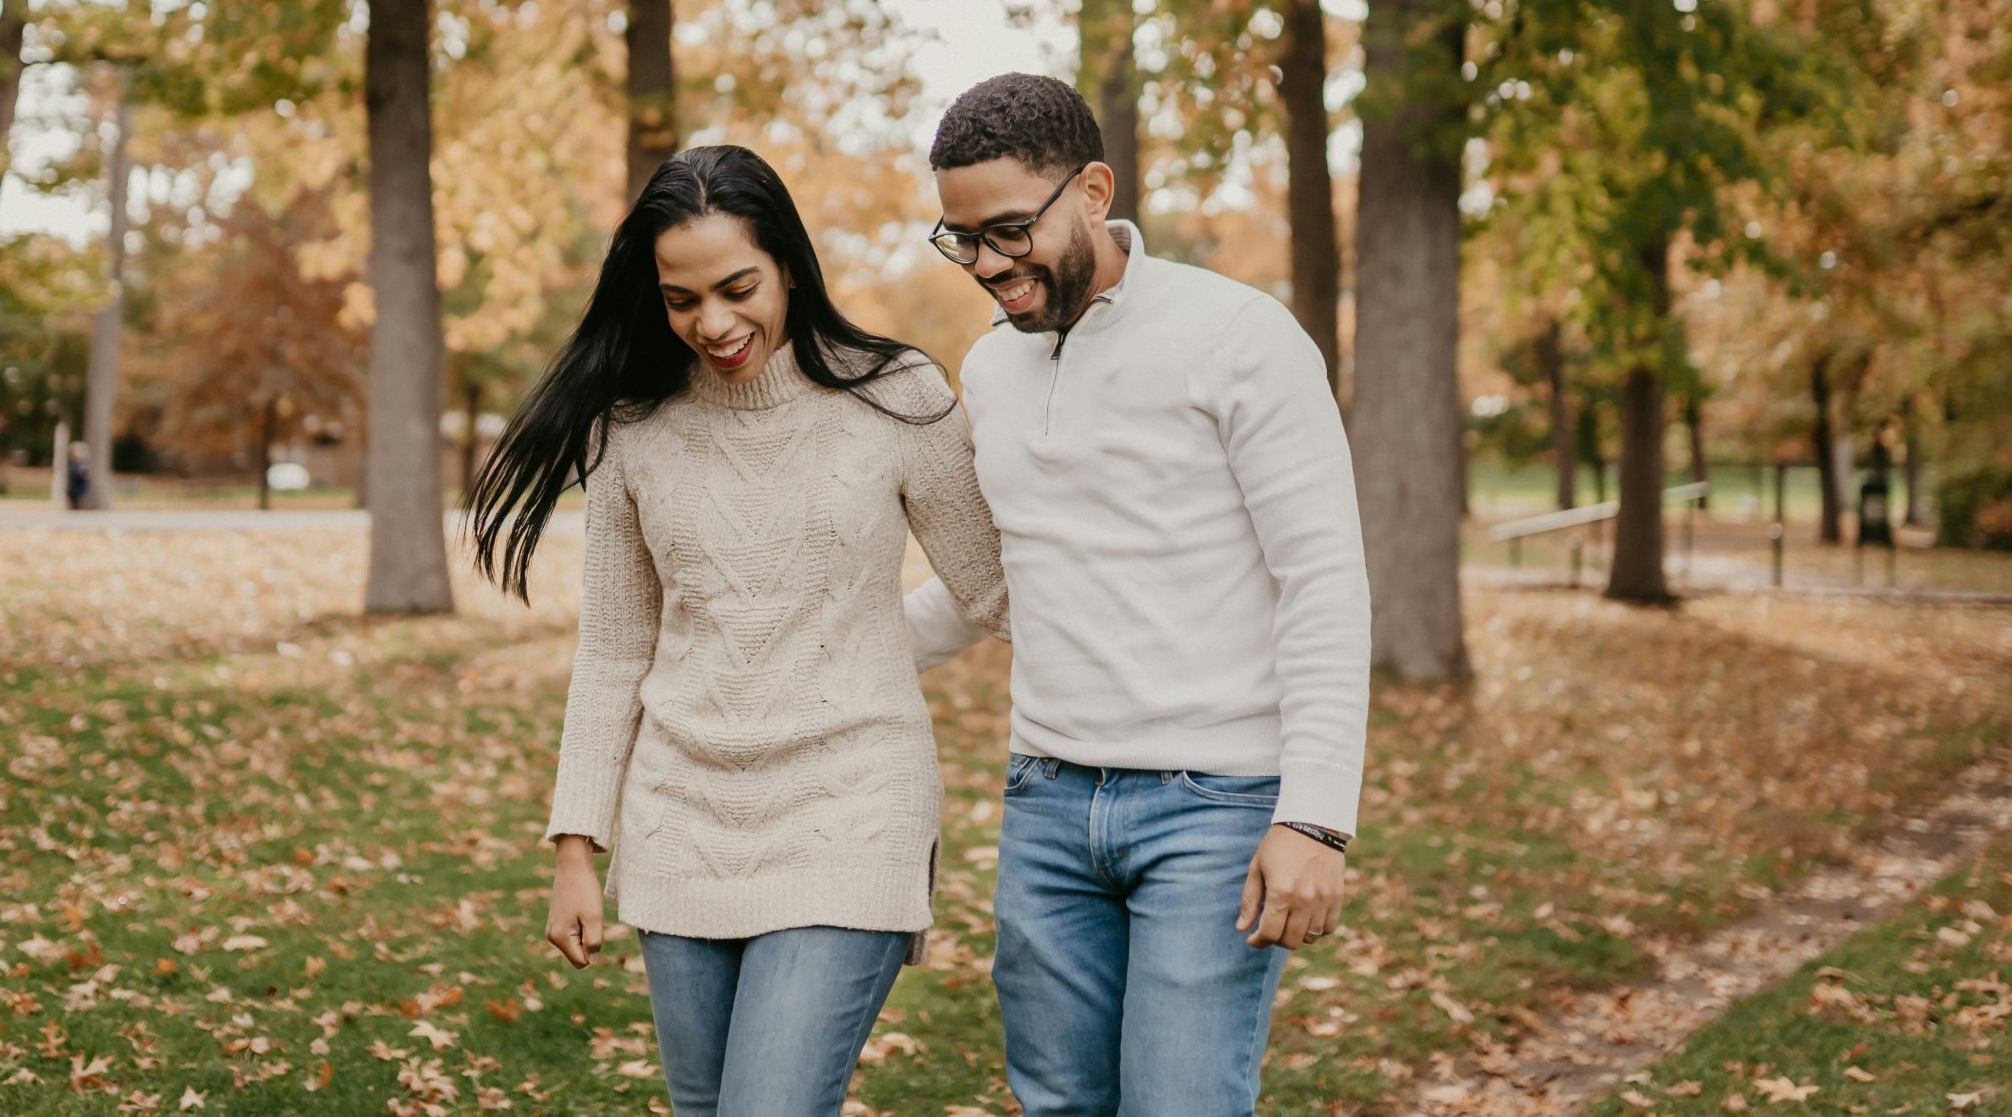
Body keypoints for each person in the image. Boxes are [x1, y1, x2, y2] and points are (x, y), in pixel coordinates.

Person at [465, 144, 1010, 1117]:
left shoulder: (898, 395)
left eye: (736, 286)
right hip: (680, 822)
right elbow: (614, 651)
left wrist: (867, 649)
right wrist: (573, 849)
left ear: (789, 265)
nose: (712, 323)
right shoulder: (633, 429)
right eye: (681, 300)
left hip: (851, 810)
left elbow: (995, 587)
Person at [905, 73, 1372, 1117]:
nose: (987, 264)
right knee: (1062, 1105)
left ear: (1093, 190)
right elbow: (991, 587)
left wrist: (1317, 821)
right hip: (1047, 802)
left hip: (1213, 807)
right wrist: (810, 651)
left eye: (1009, 229)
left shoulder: (1238, 338)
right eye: (961, 238)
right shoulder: (988, 373)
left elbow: (1324, 583)